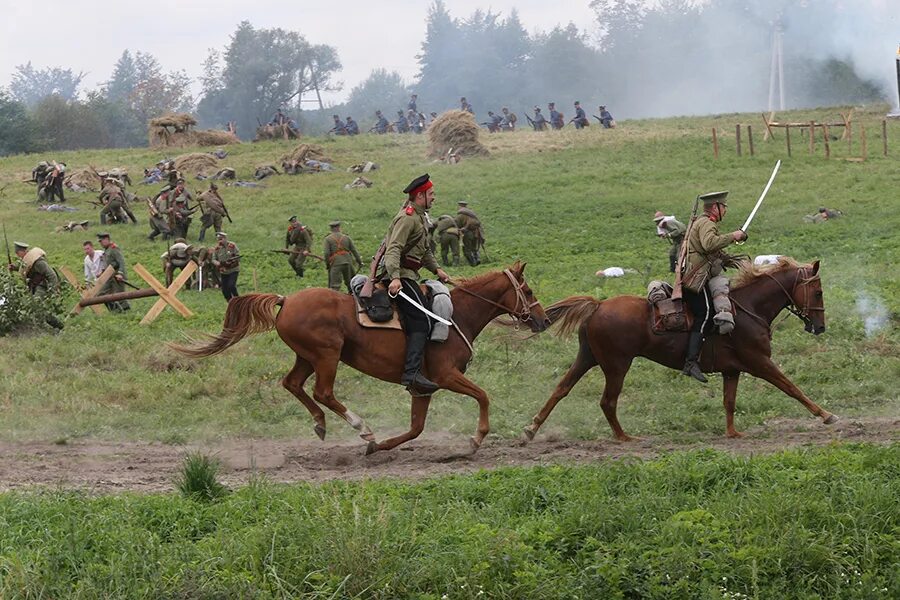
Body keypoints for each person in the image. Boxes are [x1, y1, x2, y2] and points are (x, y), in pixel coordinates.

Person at [378, 174, 451, 394]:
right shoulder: (407, 218)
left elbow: (424, 250)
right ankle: (411, 374)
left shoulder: (421, 217)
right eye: (431, 194)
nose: (434, 198)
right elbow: (394, 249)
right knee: (421, 320)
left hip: (409, 273)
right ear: (420, 196)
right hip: (399, 275)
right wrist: (395, 278)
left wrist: (437, 269)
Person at [679, 191, 747, 382]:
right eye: (724, 206)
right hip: (696, 281)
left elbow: (711, 250)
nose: (725, 210)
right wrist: (733, 235)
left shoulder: (702, 223)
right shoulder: (707, 223)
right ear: (715, 207)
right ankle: (691, 362)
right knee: (706, 314)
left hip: (698, 277)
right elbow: (709, 244)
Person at [7, 241, 63, 329]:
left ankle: (59, 326)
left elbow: (51, 275)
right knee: (35, 308)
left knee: (37, 307)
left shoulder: (37, 261)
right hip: (35, 287)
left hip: (43, 286)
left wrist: (53, 291)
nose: (18, 255)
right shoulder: (28, 261)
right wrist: (15, 268)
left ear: (23, 252)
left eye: (18, 253)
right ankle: (49, 326)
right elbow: (27, 268)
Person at [323, 221, 362, 292]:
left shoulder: (328, 239)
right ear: (339, 228)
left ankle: (334, 300)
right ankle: (354, 299)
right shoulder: (346, 238)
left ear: (331, 229)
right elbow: (354, 251)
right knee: (351, 283)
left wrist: (327, 264)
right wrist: (359, 262)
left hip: (336, 263)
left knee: (335, 285)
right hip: (348, 261)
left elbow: (326, 253)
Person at [97, 232, 130, 312]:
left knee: (120, 296)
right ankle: (114, 310)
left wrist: (120, 273)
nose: (101, 243)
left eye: (102, 241)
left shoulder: (114, 248)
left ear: (107, 239)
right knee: (101, 293)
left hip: (117, 277)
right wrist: (102, 272)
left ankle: (126, 312)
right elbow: (109, 264)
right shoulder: (106, 250)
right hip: (109, 277)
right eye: (100, 241)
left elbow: (121, 261)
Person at [212, 232, 240, 300]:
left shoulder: (232, 245)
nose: (220, 241)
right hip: (223, 271)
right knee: (224, 290)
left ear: (225, 238)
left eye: (221, 239)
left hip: (233, 270)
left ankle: (237, 299)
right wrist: (218, 263)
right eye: (218, 239)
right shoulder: (217, 248)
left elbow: (237, 256)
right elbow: (213, 259)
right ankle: (230, 302)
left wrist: (231, 261)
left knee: (231, 286)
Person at [456, 200, 484, 266]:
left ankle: (473, 263)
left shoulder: (460, 215)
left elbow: (457, 224)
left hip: (467, 234)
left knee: (466, 249)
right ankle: (477, 259)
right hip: (476, 233)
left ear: (460, 206)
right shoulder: (472, 213)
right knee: (474, 248)